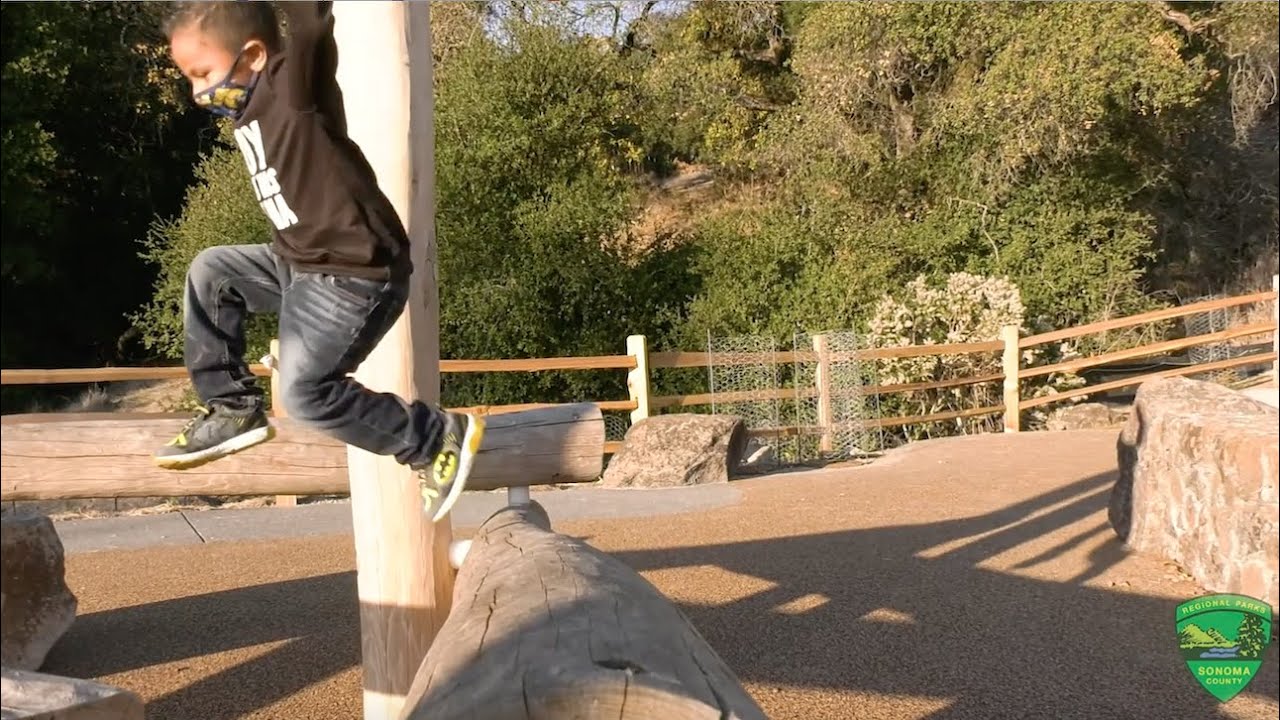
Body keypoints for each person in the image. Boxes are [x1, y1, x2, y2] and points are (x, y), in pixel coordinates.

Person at [156, 0, 483, 523]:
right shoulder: (249, 108)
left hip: (354, 274)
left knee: (305, 394)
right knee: (212, 271)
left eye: (203, 74)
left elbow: (310, 21)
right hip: (299, 264)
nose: (198, 92)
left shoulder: (292, 86)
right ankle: (232, 407)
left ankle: (431, 437)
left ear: (254, 56)